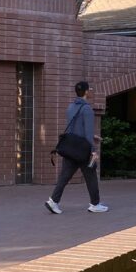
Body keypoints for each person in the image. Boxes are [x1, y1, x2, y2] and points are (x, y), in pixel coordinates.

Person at [46, 81, 108, 214]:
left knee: (64, 176)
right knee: (91, 175)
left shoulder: (70, 107)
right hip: (83, 150)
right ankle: (95, 204)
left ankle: (53, 201)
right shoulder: (87, 109)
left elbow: (75, 129)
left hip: (71, 148)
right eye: (89, 89)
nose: (90, 91)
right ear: (86, 92)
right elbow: (87, 132)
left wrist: (93, 136)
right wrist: (93, 150)